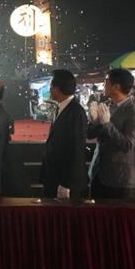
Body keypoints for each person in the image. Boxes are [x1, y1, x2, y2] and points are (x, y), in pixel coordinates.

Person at [87, 68, 135, 199]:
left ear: (116, 87)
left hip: (120, 180)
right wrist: (94, 122)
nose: (103, 85)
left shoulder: (133, 112)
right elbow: (90, 135)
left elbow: (127, 144)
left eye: (106, 81)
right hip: (98, 174)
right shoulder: (107, 106)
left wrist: (107, 124)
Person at [40, 69, 88, 199]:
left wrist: (66, 184)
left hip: (65, 183)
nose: (49, 90)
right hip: (55, 178)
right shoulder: (63, 108)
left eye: (50, 86)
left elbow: (76, 149)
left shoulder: (76, 112)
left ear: (57, 88)